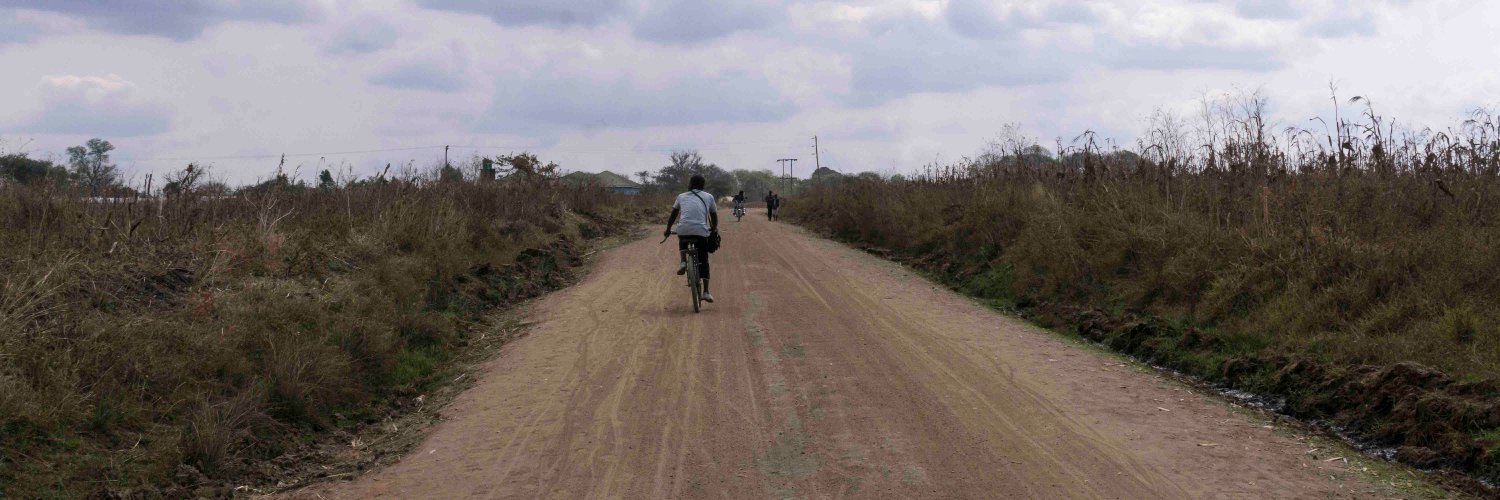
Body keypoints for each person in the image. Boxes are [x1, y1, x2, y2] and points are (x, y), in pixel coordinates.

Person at [665, 175, 718, 302]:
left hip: (683, 230)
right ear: (703, 185)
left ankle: (683, 262)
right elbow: (714, 216)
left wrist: (667, 229)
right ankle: (705, 292)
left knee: (682, 234)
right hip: (700, 232)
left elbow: (673, 215)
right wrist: (714, 229)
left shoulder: (681, 196)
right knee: (704, 260)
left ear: (690, 184)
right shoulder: (709, 196)